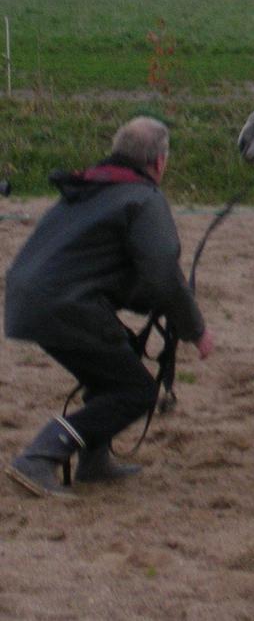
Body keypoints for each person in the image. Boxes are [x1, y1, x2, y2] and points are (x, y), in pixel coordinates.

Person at [4, 116, 214, 499]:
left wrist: (150, 302)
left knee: (114, 369)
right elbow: (162, 273)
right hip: (64, 305)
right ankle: (41, 454)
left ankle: (93, 461)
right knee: (136, 391)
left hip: (28, 298)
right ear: (159, 162)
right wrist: (195, 329)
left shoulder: (90, 186)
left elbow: (105, 265)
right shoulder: (142, 198)